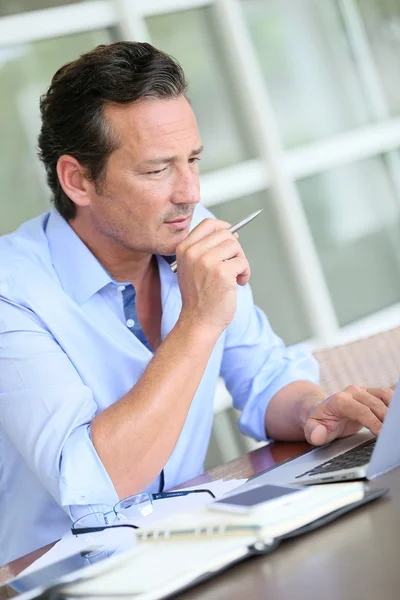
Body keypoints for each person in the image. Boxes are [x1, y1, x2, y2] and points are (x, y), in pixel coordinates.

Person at [0, 41, 393, 564]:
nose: (189, 192)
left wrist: (311, 410)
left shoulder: (183, 231)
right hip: (55, 575)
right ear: (78, 180)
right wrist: (200, 318)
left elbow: (266, 376)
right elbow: (96, 484)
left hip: (184, 546)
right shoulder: (12, 293)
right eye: (158, 169)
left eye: (193, 160)